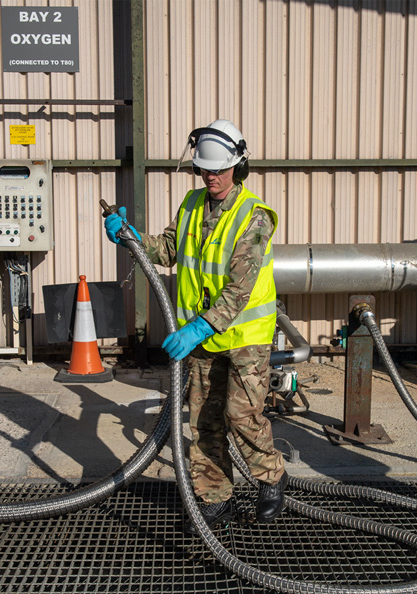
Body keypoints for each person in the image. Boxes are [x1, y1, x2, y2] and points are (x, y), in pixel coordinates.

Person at [103, 119, 287, 532]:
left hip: (243, 338)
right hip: (201, 338)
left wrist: (199, 328)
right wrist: (130, 236)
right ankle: (215, 500)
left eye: (220, 169)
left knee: (243, 417)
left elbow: (239, 291)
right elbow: (168, 249)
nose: (212, 176)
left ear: (237, 167)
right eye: (205, 169)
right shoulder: (191, 204)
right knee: (203, 421)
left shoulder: (254, 218)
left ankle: (272, 477)